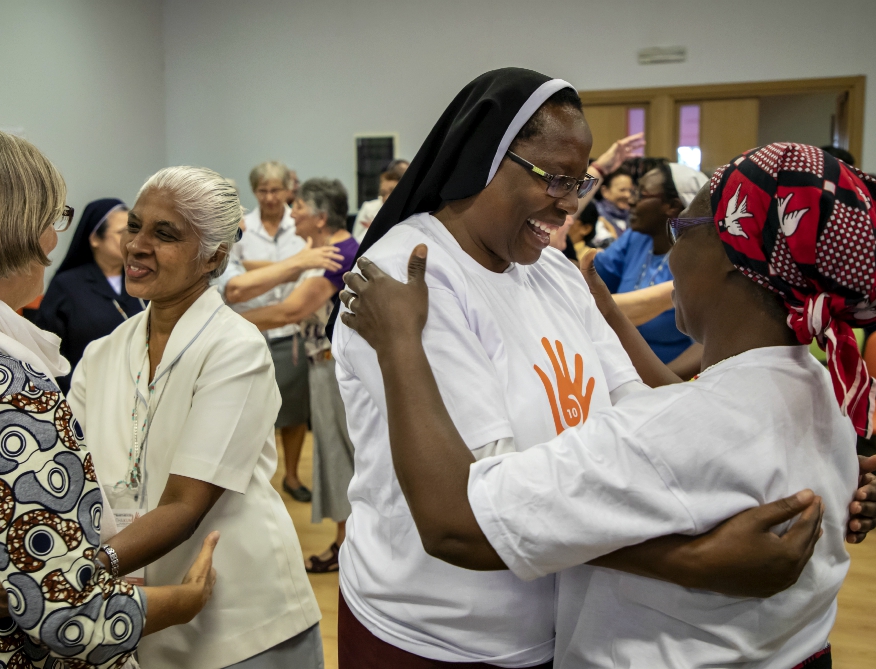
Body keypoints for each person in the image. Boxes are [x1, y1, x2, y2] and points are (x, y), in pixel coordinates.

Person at [325, 68, 833, 668]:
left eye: (580, 181)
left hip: (564, 617)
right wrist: (692, 558)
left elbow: (641, 410)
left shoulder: (554, 271)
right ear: (486, 159)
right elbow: (478, 507)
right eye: (556, 179)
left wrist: (795, 471)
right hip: (442, 630)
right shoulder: (408, 275)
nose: (570, 204)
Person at [0, 124, 218, 667]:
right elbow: (68, 618)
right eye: (50, 219)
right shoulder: (7, 390)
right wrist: (183, 602)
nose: (52, 242)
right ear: (5, 232)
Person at [70, 167, 322, 668]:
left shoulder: (234, 347)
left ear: (214, 256)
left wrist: (76, 575)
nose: (138, 245)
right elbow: (72, 478)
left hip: (240, 623)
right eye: (135, 226)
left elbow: (186, 505)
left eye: (165, 234)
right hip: (137, 614)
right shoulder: (102, 355)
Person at [227, 178, 359, 574]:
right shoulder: (323, 249)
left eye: (298, 205)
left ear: (319, 218)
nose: (291, 209)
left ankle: (346, 546)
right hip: (323, 365)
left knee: (340, 456)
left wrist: (226, 323)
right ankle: (345, 542)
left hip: (334, 367)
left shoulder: (338, 256)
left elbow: (290, 311)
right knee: (334, 454)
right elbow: (277, 270)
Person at [221, 160, 313, 501]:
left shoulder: (300, 221)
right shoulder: (244, 226)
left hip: (292, 330)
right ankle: (255, 483)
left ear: (289, 190)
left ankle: (291, 476)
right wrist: (292, 267)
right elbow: (235, 278)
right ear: (254, 191)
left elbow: (308, 265)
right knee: (251, 414)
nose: (271, 197)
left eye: (276, 190)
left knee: (293, 412)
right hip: (250, 330)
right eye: (263, 191)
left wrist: (265, 271)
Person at [592, 161, 708, 378]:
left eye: (640, 194)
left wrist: (657, 383)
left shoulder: (699, 257)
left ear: (672, 205)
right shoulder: (636, 239)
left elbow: (707, 345)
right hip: (617, 372)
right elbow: (592, 282)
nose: (631, 200)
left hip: (670, 382)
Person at [32, 198, 146, 393]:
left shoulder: (143, 280)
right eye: (122, 233)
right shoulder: (67, 286)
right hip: (85, 395)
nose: (131, 241)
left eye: (134, 231)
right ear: (95, 238)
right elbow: (47, 351)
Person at [353, 161, 409, 243]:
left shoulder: (412, 212)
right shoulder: (369, 210)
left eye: (392, 192)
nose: (387, 197)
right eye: (383, 193)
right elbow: (356, 242)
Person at [590, 169, 632, 246]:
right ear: (605, 191)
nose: (628, 195)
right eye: (622, 190)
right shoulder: (594, 216)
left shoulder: (633, 218)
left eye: (630, 190)